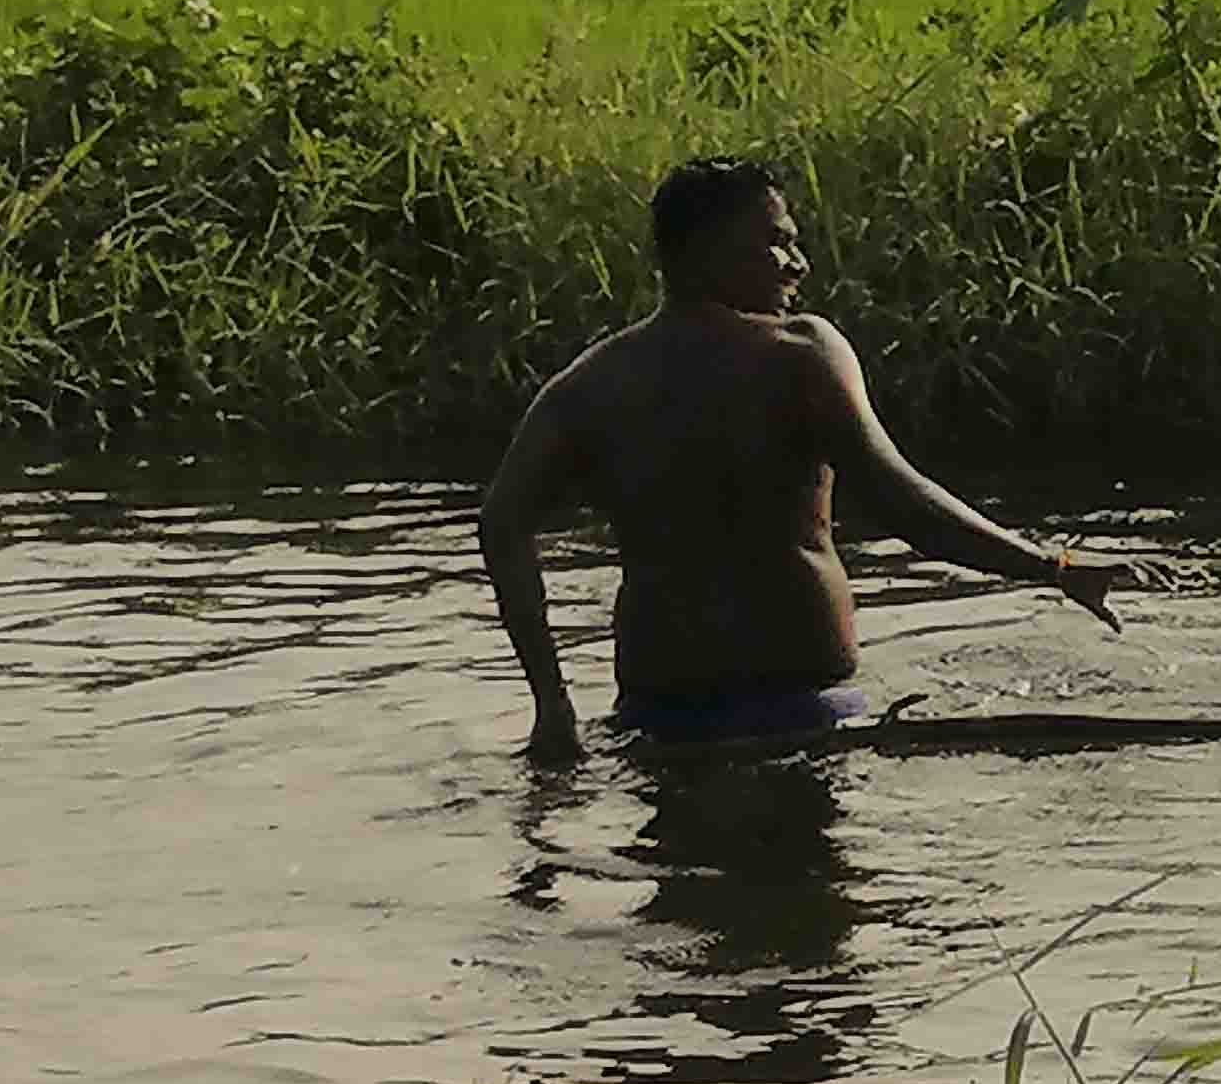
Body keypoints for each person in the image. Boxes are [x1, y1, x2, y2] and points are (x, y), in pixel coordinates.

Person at [479, 157, 1130, 758]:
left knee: (681, 882)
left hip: (659, 723)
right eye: (777, 242)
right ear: (707, 252)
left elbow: (502, 523)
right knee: (810, 882)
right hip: (803, 715)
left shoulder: (588, 384)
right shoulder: (800, 354)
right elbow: (900, 499)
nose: (798, 265)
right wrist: (1054, 568)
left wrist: (553, 705)